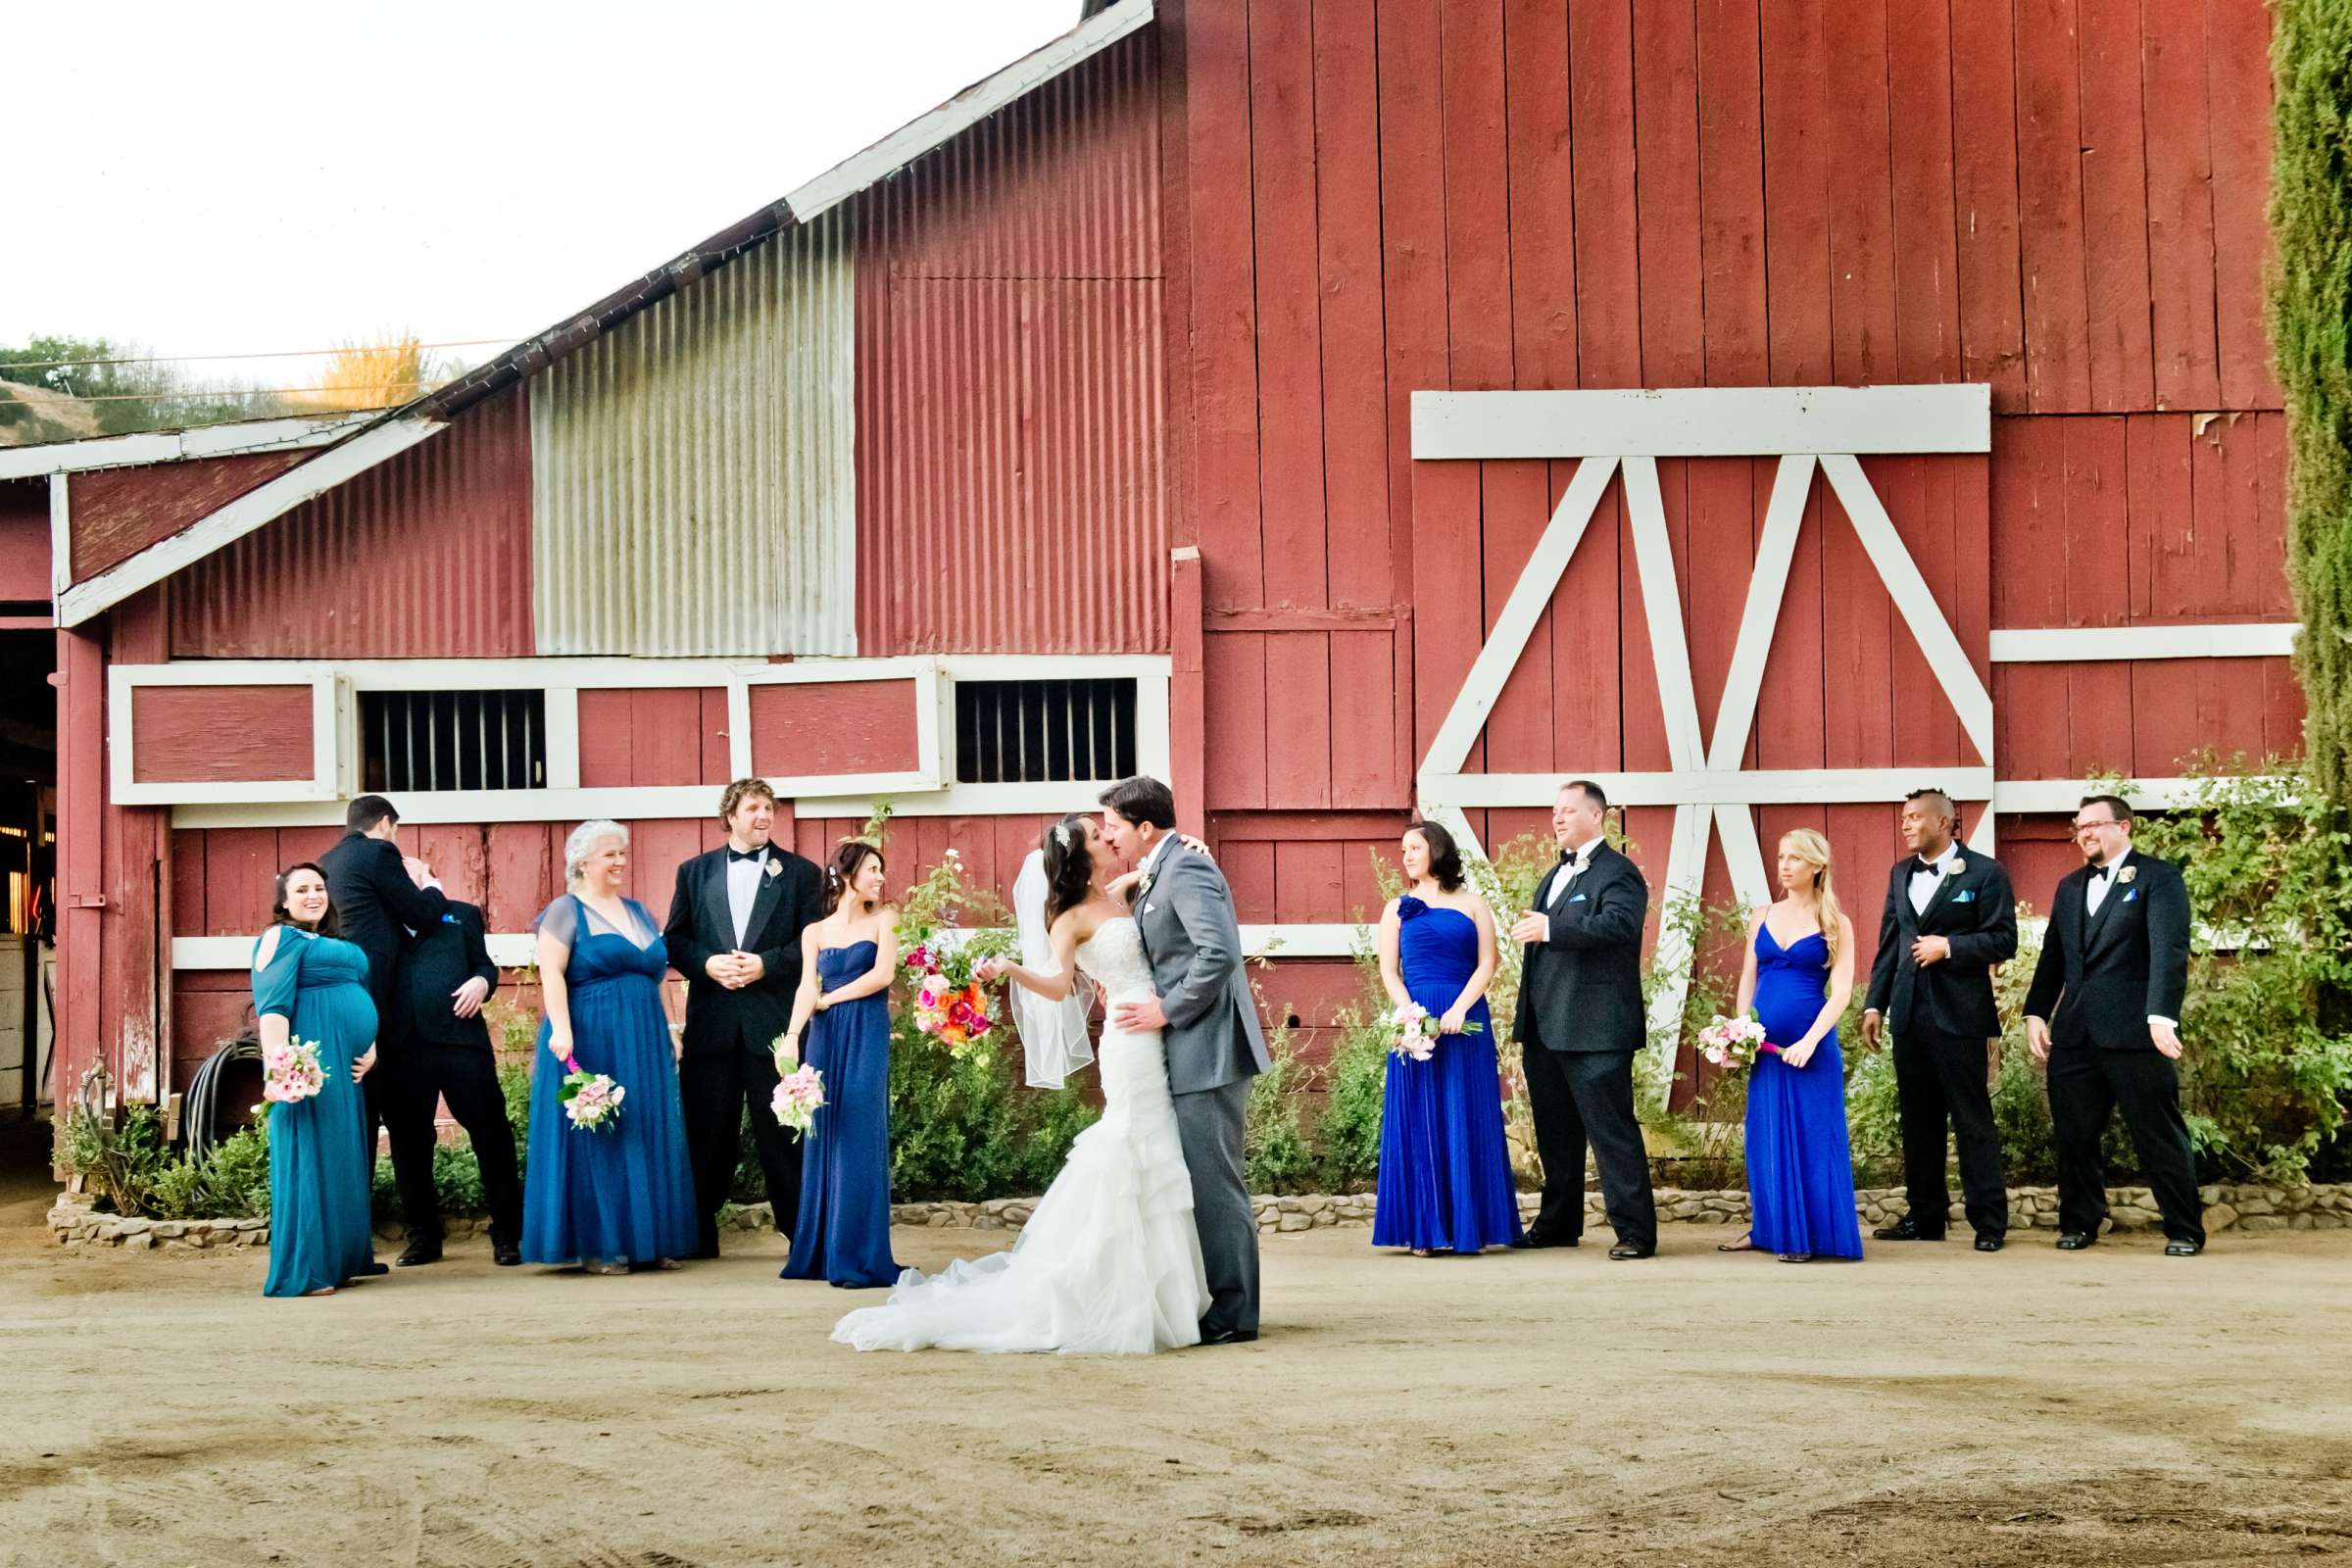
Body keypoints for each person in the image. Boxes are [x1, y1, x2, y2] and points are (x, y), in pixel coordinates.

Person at [835, 814, 1214, 1353]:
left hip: (1156, 1026)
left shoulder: (1114, 893)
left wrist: (1172, 856)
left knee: (1157, 1149)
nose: (1110, 837)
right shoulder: (1068, 920)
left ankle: (1163, 1293)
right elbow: (1060, 987)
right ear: (1080, 854)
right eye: (1097, 835)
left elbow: (1144, 894)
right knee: (1131, 1142)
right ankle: (1103, 1291)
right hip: (1130, 1043)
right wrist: (1012, 968)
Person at [1098, 775, 1269, 1344]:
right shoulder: (1166, 864)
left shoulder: (1188, 867)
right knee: (1196, 1179)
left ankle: (1235, 1312)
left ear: (1145, 826)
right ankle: (1211, 1298)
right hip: (1185, 1050)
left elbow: (1217, 952)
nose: (1108, 836)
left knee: (1215, 1182)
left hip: (1210, 1049)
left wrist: (1166, 1010)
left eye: (1115, 827)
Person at [2024, 796, 2204, 1256]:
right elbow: (2054, 957)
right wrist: (2036, 1012)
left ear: (2124, 827)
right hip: (2076, 1033)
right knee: (2075, 1136)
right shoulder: (2068, 887)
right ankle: (2081, 1222)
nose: (2084, 833)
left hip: (2136, 1033)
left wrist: (2162, 1015)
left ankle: (2184, 1229)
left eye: (2094, 825)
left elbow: (2169, 951)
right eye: (2079, 827)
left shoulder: (2158, 878)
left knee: (2157, 1134)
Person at [520, 821, 698, 1273]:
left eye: (621, 853)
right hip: (591, 1033)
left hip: (645, 1034)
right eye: (609, 855)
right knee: (602, 1133)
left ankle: (649, 1238)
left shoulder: (637, 911)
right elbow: (552, 973)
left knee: (646, 1127)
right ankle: (603, 1244)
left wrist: (671, 1030)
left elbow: (654, 975)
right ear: (583, 862)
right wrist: (562, 1030)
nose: (620, 861)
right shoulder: (565, 910)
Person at [665, 779, 827, 1259]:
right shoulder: (694, 872)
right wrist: (707, 965)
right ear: (730, 815)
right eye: (754, 807)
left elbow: (813, 943)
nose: (764, 816)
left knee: (784, 1134)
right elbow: (675, 941)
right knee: (706, 1133)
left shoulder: (801, 874)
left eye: (769, 808)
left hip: (774, 1026)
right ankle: (697, 1234)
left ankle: (803, 1237)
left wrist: (766, 964)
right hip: (712, 1026)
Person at [1860, 787, 2018, 1251]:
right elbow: (1891, 942)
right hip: (1910, 1014)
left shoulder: (1986, 873)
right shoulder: (1899, 873)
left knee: (1972, 1120)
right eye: (1904, 817)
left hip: (1961, 1017)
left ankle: (1989, 1221)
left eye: (1915, 817)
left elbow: (2004, 939)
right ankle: (1926, 1215)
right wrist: (1875, 1004)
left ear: (1946, 822)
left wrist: (1949, 947)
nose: (1906, 824)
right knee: (1918, 1122)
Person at [1510, 780, 1657, 1259]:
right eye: (1555, 811)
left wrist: (1551, 927)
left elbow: (1619, 925)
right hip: (1546, 1026)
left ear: (1597, 816)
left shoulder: (1619, 872)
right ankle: (1558, 1223)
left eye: (1568, 811)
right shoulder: (1554, 873)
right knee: (1556, 1133)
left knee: (1611, 1131)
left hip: (1595, 1027)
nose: (1557, 818)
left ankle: (1635, 1231)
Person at [1371, 819, 1522, 1256]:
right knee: (1420, 1116)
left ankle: (1471, 1225)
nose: (1407, 856)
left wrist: (1459, 1008)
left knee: (1466, 1111)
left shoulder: (1474, 903)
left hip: (1465, 1015)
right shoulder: (1396, 907)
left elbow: (1487, 964)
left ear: (1437, 850)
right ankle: (1425, 1228)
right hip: (1416, 1020)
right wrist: (1409, 1015)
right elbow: (1388, 971)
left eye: (1414, 847)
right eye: (1403, 850)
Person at [1720, 830, 1863, 1263]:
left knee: (1813, 1138)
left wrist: (1810, 1041)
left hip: (1810, 1048)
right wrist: (1740, 1030)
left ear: (1817, 866)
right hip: (1765, 1049)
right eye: (1781, 857)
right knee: (1766, 1138)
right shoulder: (1762, 914)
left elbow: (1841, 992)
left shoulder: (1836, 921)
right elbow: (1749, 976)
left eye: (1795, 858)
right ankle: (1768, 1228)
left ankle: (1808, 1237)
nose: (1784, 866)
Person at [318, 794, 447, 1265]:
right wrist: (431, 884)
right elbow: (421, 914)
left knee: (357, 1128)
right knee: (409, 1127)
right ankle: (422, 1237)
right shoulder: (378, 852)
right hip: (387, 1013)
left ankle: (353, 1241)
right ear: (387, 824)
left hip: (346, 1008)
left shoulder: (328, 862)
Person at [381, 865, 523, 1268]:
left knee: (491, 1135)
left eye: (415, 874)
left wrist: (482, 982)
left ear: (430, 879)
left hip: (461, 1042)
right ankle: (423, 1237)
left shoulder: (462, 914)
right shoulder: (379, 919)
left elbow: (484, 965)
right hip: (402, 1047)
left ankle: (508, 1234)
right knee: (409, 1143)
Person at [251, 863, 380, 1298]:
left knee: (341, 1155)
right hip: (310, 1064)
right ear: (284, 901)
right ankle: (307, 1269)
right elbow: (272, 1006)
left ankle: (342, 1258)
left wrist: (372, 1043)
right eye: (302, 889)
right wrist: (281, 1069)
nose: (313, 895)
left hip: (346, 1064)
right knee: (311, 1156)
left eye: (320, 887)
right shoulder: (280, 937)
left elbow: (357, 991)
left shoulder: (329, 941)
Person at [778, 843, 903, 1290]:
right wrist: (792, 1038)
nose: (880, 877)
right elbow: (805, 988)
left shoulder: (885, 920)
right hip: (824, 1037)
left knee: (858, 1131)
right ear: (847, 874)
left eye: (881, 870)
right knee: (824, 1131)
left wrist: (830, 999)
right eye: (872, 869)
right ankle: (822, 1250)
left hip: (864, 1030)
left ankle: (858, 1252)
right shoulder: (815, 931)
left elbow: (882, 976)